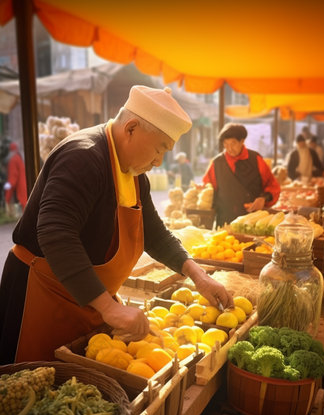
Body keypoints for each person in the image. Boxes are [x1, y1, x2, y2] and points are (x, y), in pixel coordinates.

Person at [0, 85, 233, 365]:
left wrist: (198, 276)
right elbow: (55, 232)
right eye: (160, 148)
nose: (159, 161)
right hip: (40, 296)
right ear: (131, 128)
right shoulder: (84, 157)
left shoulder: (134, 173)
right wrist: (108, 307)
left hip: (85, 299)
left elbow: (154, 233)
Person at [202, 123, 280, 227]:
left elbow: (273, 187)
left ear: (242, 141)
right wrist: (202, 190)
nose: (229, 148)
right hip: (225, 222)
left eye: (233, 144)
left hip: (252, 222)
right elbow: (208, 188)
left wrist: (263, 199)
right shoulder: (217, 163)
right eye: (225, 144)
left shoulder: (256, 160)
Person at [1, 140, 27, 217]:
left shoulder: (13, 159)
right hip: (24, 185)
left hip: (19, 188)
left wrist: (8, 185)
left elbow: (13, 177)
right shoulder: (18, 157)